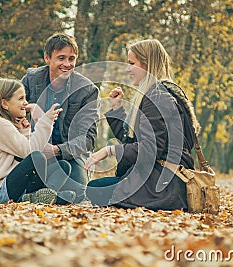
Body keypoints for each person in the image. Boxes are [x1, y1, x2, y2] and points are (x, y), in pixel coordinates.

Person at [84, 39, 201, 211]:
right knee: (98, 187)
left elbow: (150, 149)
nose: (127, 69)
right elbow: (134, 142)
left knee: (96, 189)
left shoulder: (157, 98)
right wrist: (117, 110)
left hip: (162, 188)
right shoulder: (161, 93)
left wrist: (109, 150)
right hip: (166, 183)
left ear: (147, 65)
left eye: (132, 63)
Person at [21, 33, 100, 203]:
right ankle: (37, 194)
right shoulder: (31, 80)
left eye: (72, 59)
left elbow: (88, 138)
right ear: (47, 58)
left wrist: (56, 150)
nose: (67, 64)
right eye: (61, 58)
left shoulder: (87, 90)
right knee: (23, 180)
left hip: (69, 155)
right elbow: (8, 108)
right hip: (34, 150)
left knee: (78, 193)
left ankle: (43, 195)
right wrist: (28, 110)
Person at [0, 78, 77, 204]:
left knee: (63, 166)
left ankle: (37, 197)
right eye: (20, 99)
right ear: (5, 104)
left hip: (14, 187)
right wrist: (45, 122)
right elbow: (30, 152)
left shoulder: (6, 125)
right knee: (37, 157)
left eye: (25, 98)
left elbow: (21, 153)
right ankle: (48, 197)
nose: (26, 103)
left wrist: (25, 131)